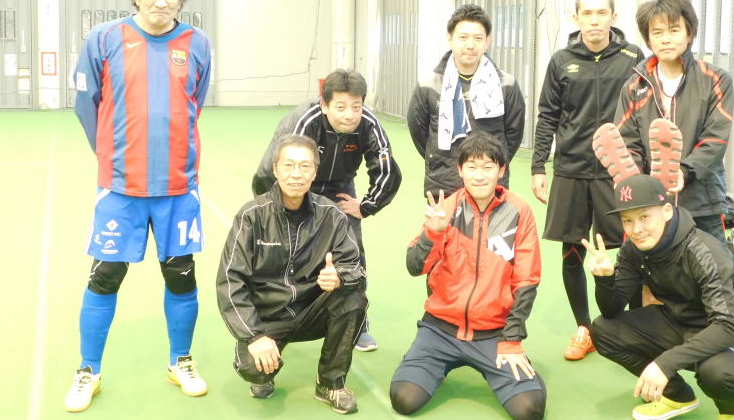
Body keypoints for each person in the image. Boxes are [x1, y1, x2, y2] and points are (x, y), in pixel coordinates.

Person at [65, 0, 212, 412]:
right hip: (120, 188)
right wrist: (110, 154)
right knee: (105, 276)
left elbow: (195, 102)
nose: (162, 1)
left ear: (181, 0)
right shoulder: (104, 38)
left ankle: (180, 361)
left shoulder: (197, 43)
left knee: (181, 275)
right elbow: (86, 104)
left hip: (178, 188)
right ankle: (88, 370)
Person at [582, 142, 734, 419]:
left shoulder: (704, 252)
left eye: (644, 217)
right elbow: (611, 311)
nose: (636, 229)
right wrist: (605, 279)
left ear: (667, 211)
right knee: (602, 330)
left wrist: (663, 364)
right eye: (627, 220)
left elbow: (726, 326)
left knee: (718, 373)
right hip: (681, 322)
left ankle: (731, 412)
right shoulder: (634, 249)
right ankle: (677, 396)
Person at [390, 133, 546, 420]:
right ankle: (431, 363)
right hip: (440, 329)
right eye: (472, 167)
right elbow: (414, 266)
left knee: (528, 410)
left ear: (501, 170)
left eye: (488, 167)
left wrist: (511, 339)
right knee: (403, 399)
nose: (479, 175)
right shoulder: (447, 208)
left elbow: (527, 280)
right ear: (460, 170)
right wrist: (433, 233)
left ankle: (517, 374)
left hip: (493, 333)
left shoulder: (519, 212)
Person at [251, 68, 401, 351]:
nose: (349, 115)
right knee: (286, 251)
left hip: (340, 188)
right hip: (298, 184)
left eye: (356, 107)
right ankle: (274, 318)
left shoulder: (368, 123)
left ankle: (357, 323)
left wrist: (366, 206)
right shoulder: (305, 121)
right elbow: (270, 171)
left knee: (352, 251)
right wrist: (274, 210)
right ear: (324, 105)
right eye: (340, 107)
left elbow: (387, 171)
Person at [531, 0, 643, 361]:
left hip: (618, 171)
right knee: (572, 250)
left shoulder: (632, 57)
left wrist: (640, 165)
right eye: (587, 14)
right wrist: (538, 166)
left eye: (601, 13)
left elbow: (645, 112)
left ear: (613, 17)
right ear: (576, 18)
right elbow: (548, 115)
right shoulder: (562, 61)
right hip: (572, 169)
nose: (594, 20)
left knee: (628, 248)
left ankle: (632, 328)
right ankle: (584, 328)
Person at [218, 134, 367, 414]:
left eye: (304, 166)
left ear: (315, 172)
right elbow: (230, 280)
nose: (296, 174)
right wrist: (253, 336)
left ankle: (330, 383)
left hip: (312, 311)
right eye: (288, 165)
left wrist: (339, 276)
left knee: (353, 298)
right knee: (253, 370)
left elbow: (353, 266)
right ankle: (265, 368)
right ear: (275, 169)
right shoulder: (252, 216)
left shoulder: (331, 215)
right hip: (267, 317)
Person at [613, 0, 731, 242]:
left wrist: (683, 172)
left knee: (713, 265)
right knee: (647, 267)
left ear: (689, 34)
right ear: (648, 39)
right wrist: (634, 178)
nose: (665, 39)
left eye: (674, 30)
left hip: (702, 202)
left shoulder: (715, 80)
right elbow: (626, 141)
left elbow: (715, 140)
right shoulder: (634, 86)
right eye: (657, 33)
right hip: (650, 205)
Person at [407, 4, 526, 198]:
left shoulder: (506, 84)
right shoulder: (429, 85)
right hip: (444, 183)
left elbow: (513, 134)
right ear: (450, 39)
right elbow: (420, 133)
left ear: (487, 41)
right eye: (463, 37)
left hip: (490, 184)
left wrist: (489, 165)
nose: (470, 45)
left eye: (478, 38)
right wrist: (441, 160)